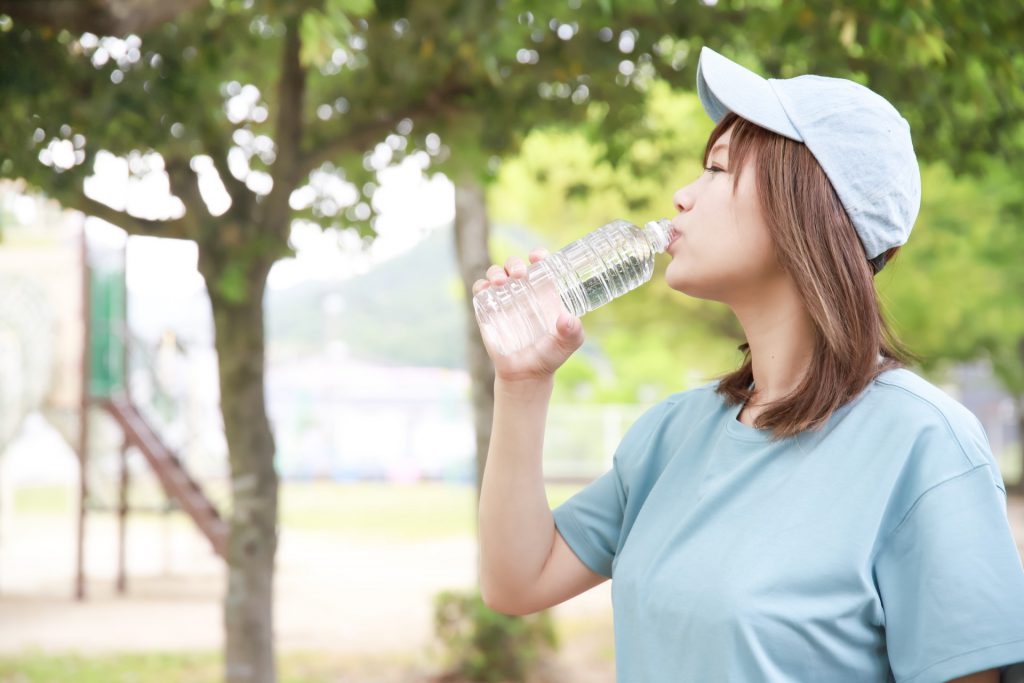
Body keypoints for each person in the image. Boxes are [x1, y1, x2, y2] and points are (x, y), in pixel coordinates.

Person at [472, 47, 1024, 682]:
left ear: (806, 204)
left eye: (718, 169)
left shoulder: (924, 444)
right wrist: (521, 382)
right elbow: (516, 582)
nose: (682, 196)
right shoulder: (672, 434)